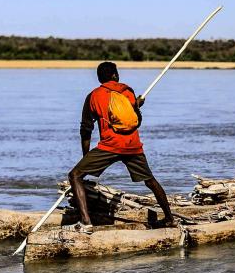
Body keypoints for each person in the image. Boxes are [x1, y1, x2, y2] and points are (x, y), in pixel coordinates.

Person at [64, 62, 175, 234]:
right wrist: (136, 106)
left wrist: (85, 157)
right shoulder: (127, 91)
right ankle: (169, 219)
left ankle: (86, 222)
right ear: (115, 75)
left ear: (99, 78)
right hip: (133, 146)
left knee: (75, 175)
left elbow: (86, 130)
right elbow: (137, 122)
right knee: (150, 180)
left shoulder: (93, 96)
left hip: (110, 145)